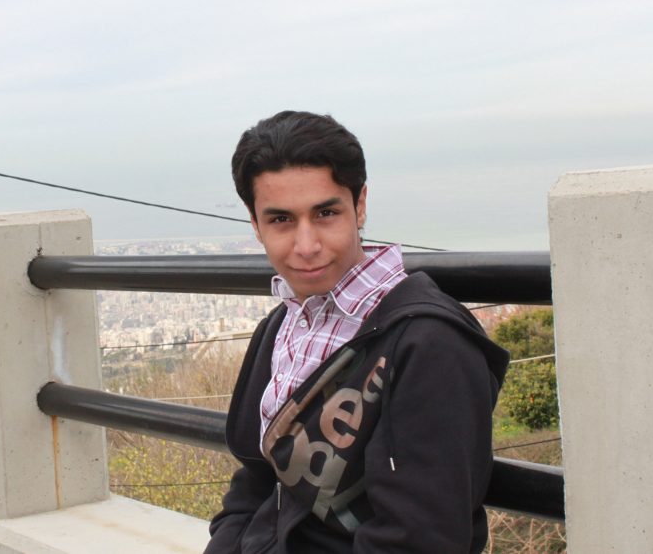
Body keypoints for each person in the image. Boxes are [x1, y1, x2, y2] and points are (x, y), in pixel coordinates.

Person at [205, 111, 509, 554]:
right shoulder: (281, 327)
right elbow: (254, 478)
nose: (306, 246)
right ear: (255, 224)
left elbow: (420, 540)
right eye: (281, 220)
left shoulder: (428, 345)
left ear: (360, 205)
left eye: (326, 213)